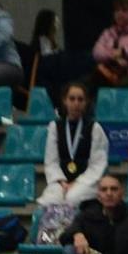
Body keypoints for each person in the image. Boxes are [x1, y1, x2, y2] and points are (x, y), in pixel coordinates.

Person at [39, 80, 109, 208]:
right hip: (61, 181)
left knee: (73, 197)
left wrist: (76, 182)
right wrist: (62, 182)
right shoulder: (55, 127)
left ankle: (73, 228)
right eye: (72, 99)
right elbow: (51, 161)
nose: (76, 103)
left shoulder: (94, 128)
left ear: (86, 102)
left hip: (86, 182)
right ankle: (53, 229)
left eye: (80, 99)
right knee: (50, 199)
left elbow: (98, 164)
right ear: (65, 101)